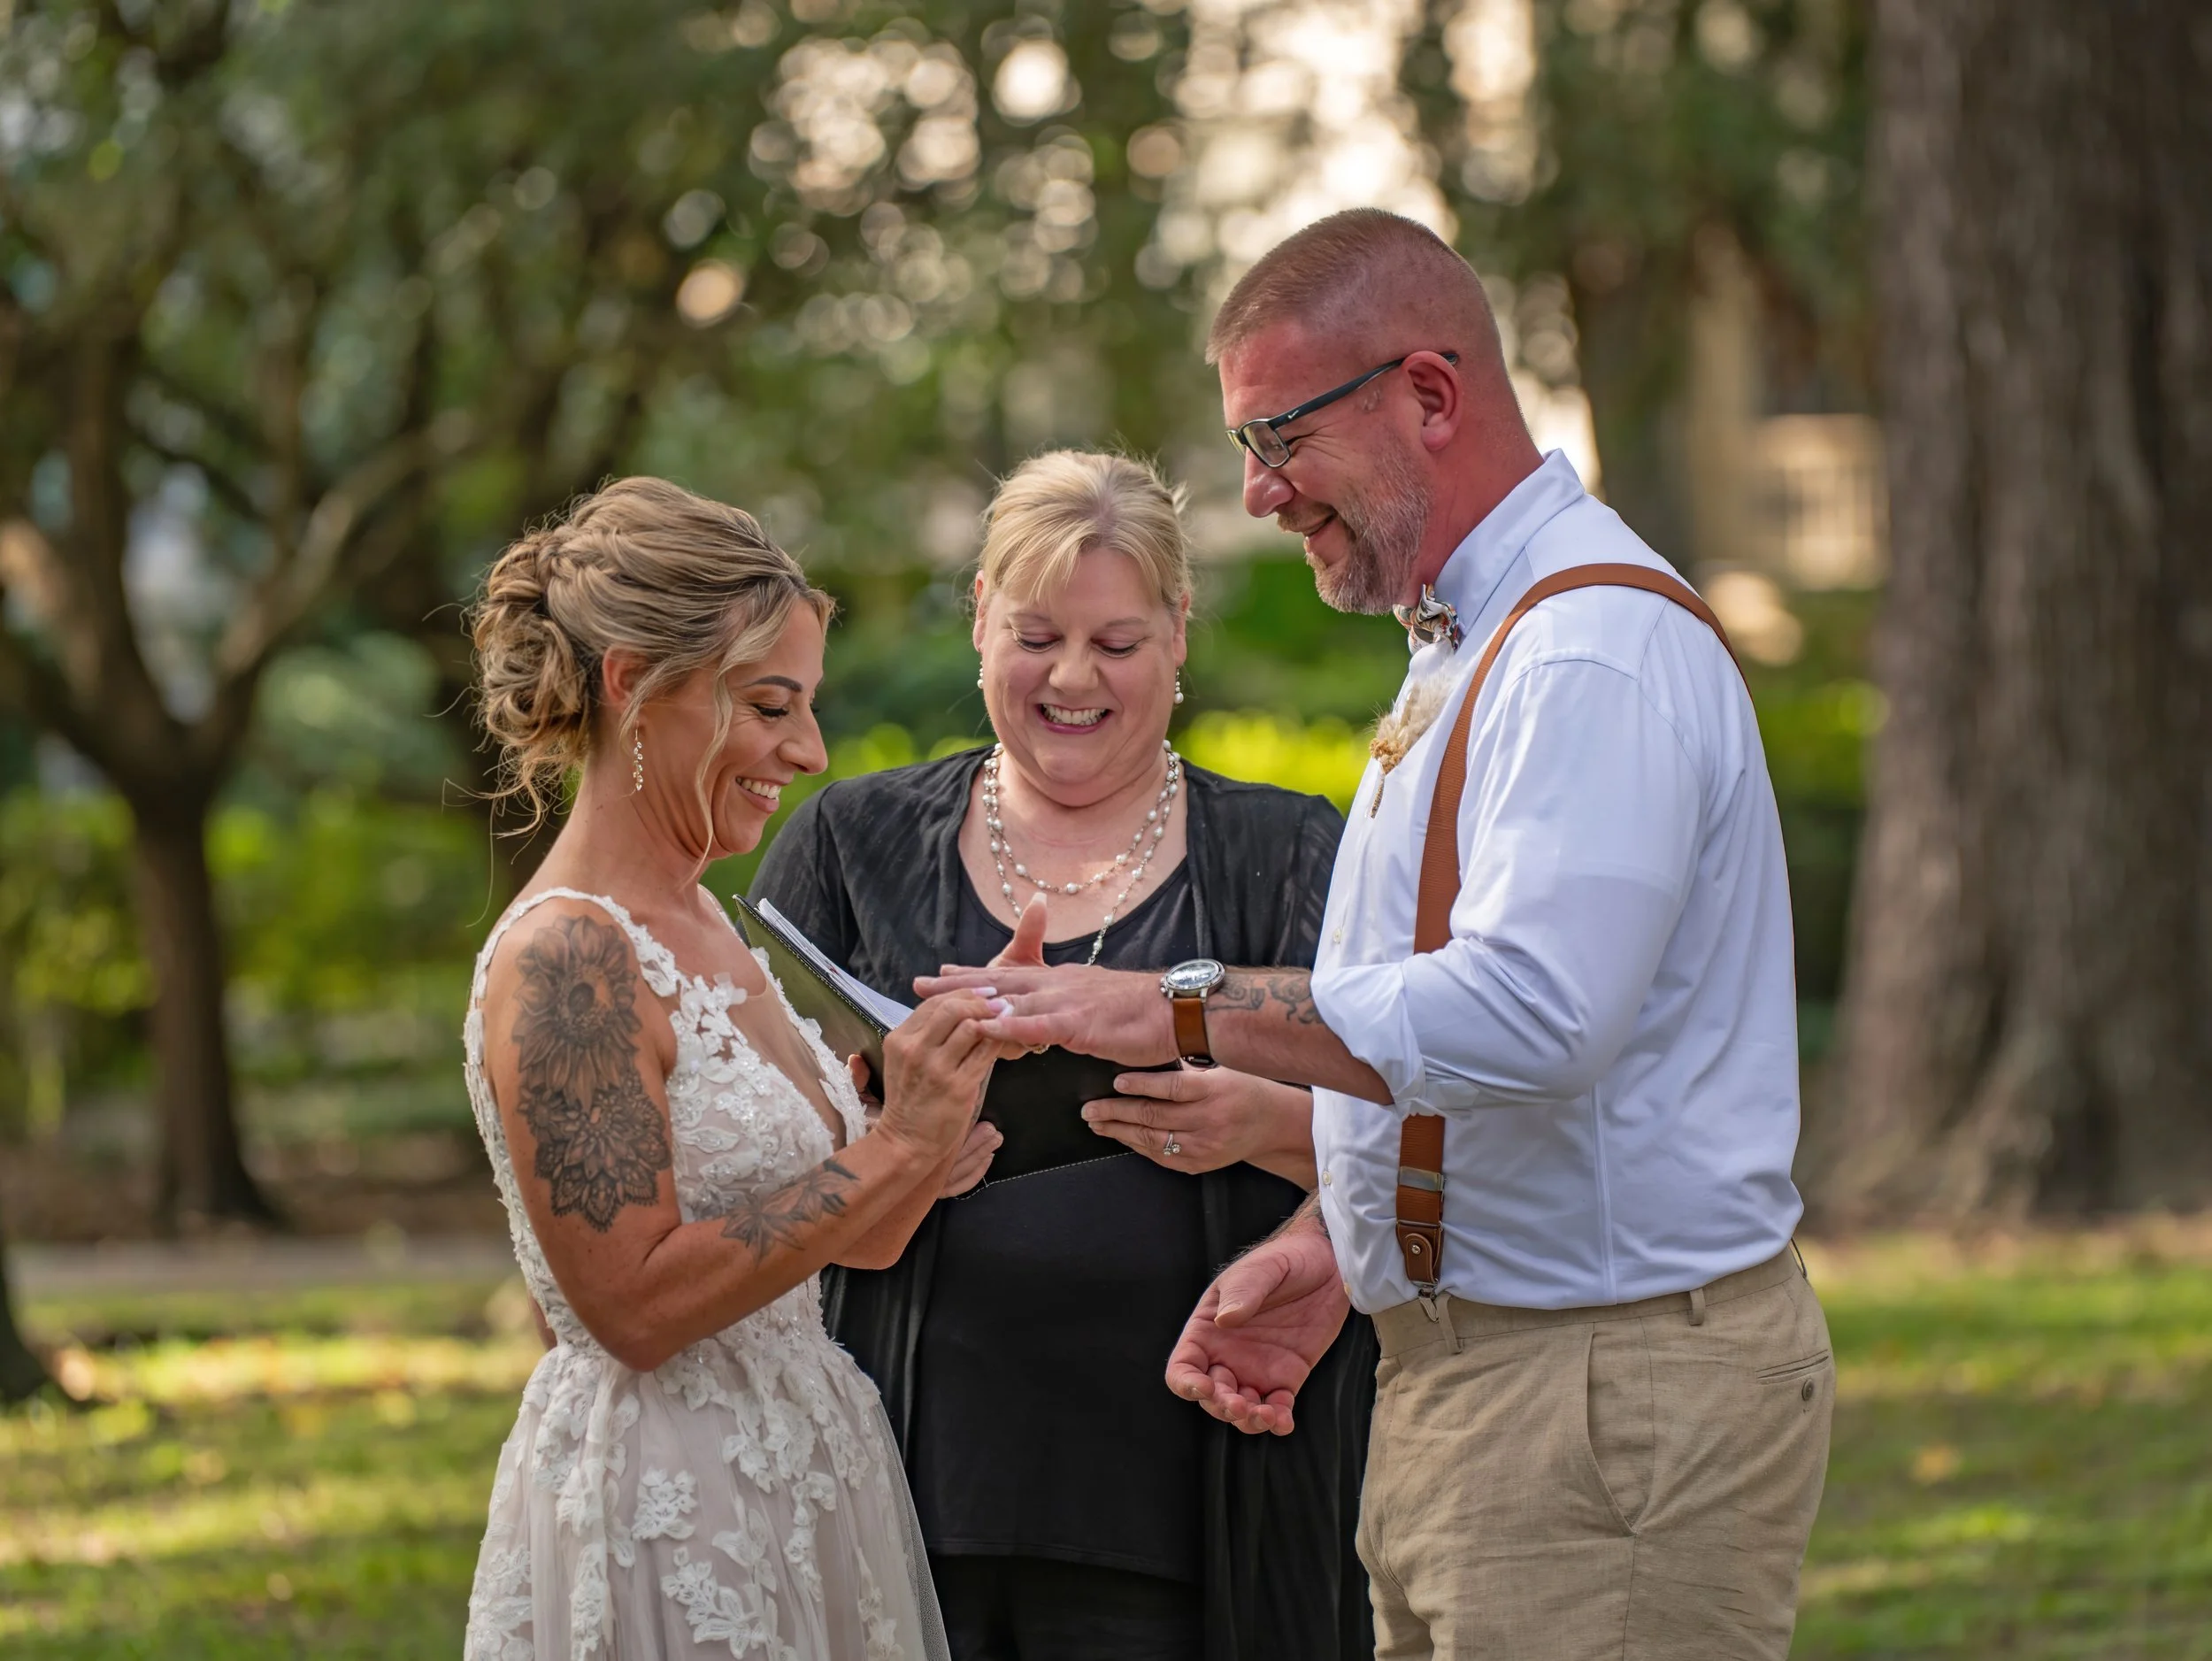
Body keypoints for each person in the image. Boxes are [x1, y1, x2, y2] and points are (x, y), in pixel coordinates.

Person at [921, 211, 1832, 1660]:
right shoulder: (1478, 642)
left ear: (1430, 393)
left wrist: (1183, 1005)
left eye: (1278, 434)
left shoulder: (1587, 651)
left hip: (1599, 1405)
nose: (1257, 491)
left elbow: (1536, 1015)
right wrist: (1351, 1252)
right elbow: (1509, 1062)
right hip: (1486, 1387)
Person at [750, 450, 1374, 1661]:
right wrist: (888, 1126)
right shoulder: (849, 843)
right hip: (909, 1471)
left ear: (1180, 635)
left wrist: (1264, 1120)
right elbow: (750, 1148)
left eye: (1120, 642)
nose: (1074, 677)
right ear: (979, 617)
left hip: (1201, 1485)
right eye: (1036, 635)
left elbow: (1422, 1125)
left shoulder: (1293, 852)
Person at [460, 477, 1015, 1661]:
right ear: (633, 687)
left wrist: (929, 1118)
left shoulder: (716, 927)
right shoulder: (570, 958)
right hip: (670, 1498)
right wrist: (896, 1154)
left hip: (810, 1471)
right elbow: (638, 1308)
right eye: (770, 706)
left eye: (806, 707)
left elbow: (853, 1240)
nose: (807, 751)